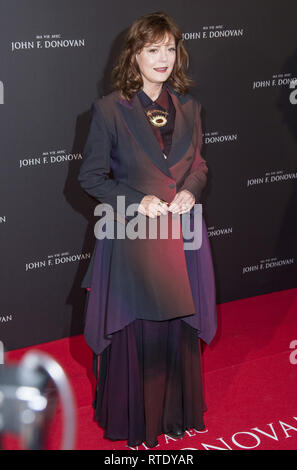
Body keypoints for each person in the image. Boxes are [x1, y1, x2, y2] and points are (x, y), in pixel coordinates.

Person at [78, 11, 217, 448]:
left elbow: (199, 165)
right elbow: (92, 178)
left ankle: (177, 415)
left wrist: (192, 191)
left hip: (183, 241)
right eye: (152, 49)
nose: (163, 58)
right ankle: (140, 422)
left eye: (170, 49)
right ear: (135, 54)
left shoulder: (190, 107)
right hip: (135, 242)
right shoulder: (108, 110)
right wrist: (139, 202)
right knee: (142, 330)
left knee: (178, 326)